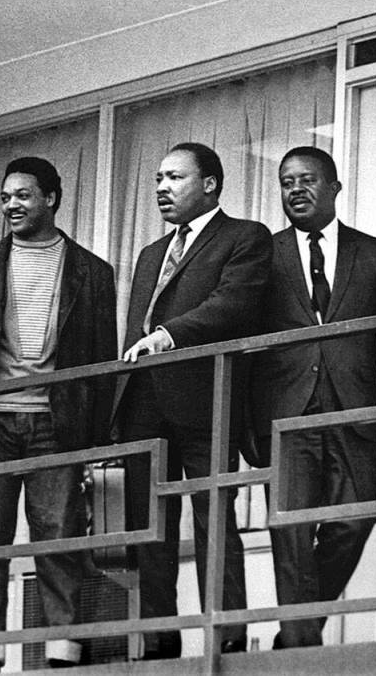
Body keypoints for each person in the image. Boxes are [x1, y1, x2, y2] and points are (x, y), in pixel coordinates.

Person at [0, 157, 117, 673]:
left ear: (51, 199)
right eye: (5, 197)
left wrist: (97, 439)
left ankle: (62, 653)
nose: (12, 205)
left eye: (23, 195)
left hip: (57, 428)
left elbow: (102, 361)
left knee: (58, 539)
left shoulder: (92, 271)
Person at [251, 146, 376, 648]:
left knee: (357, 515)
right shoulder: (265, 254)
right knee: (291, 532)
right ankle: (301, 650)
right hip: (286, 415)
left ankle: (296, 634)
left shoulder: (374, 253)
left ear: (334, 188)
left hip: (354, 408)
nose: (295, 190)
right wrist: (246, 428)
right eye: (286, 182)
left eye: (306, 180)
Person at [111, 142, 272, 659]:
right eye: (158, 178)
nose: (161, 187)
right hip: (143, 405)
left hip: (208, 401)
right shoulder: (150, 254)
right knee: (150, 530)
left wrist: (167, 335)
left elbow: (232, 305)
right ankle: (158, 642)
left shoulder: (244, 237)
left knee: (214, 524)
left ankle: (225, 639)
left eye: (175, 177)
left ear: (209, 184)